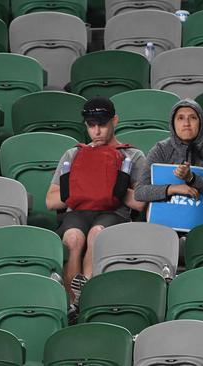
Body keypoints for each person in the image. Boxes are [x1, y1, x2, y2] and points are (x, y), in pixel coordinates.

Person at [46, 96, 146, 301]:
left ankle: (87, 295)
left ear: (115, 121)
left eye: (102, 125)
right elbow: (50, 201)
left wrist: (113, 188)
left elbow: (140, 202)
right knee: (73, 238)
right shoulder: (73, 154)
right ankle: (73, 300)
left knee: (96, 235)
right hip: (77, 212)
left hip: (114, 214)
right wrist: (83, 188)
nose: (97, 131)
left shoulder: (133, 155)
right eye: (91, 126)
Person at [135, 98, 203, 217]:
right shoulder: (160, 149)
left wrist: (192, 178)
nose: (186, 123)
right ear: (173, 123)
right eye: (180, 118)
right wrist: (172, 189)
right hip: (163, 222)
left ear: (201, 122)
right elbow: (140, 192)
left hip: (200, 220)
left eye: (192, 118)